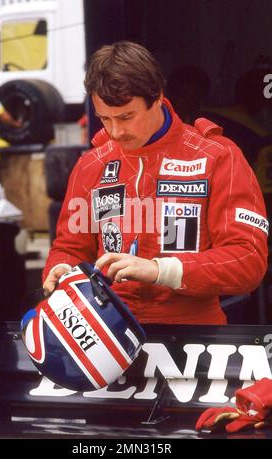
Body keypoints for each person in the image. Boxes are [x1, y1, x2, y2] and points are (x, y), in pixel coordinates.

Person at [42, 41, 268, 325]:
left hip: (191, 332)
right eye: (104, 119)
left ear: (158, 98)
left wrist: (159, 270)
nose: (115, 131)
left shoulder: (216, 156)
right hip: (106, 335)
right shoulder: (92, 164)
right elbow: (71, 247)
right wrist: (61, 268)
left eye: (126, 117)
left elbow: (247, 262)